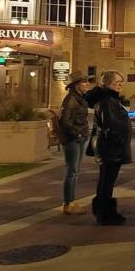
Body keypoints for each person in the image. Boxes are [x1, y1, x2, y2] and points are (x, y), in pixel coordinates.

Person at [86, 71, 132, 225]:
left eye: (121, 81)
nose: (120, 84)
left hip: (109, 146)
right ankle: (105, 214)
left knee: (106, 180)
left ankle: (104, 211)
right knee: (107, 181)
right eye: (116, 82)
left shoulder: (110, 99)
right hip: (110, 147)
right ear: (107, 83)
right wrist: (119, 140)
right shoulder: (107, 101)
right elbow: (110, 126)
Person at [58, 71, 92, 215]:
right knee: (72, 171)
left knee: (74, 171)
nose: (87, 84)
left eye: (87, 81)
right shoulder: (71, 99)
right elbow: (64, 121)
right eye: (83, 82)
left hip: (79, 137)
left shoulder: (78, 98)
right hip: (73, 139)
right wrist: (77, 132)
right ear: (76, 85)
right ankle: (69, 203)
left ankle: (71, 201)